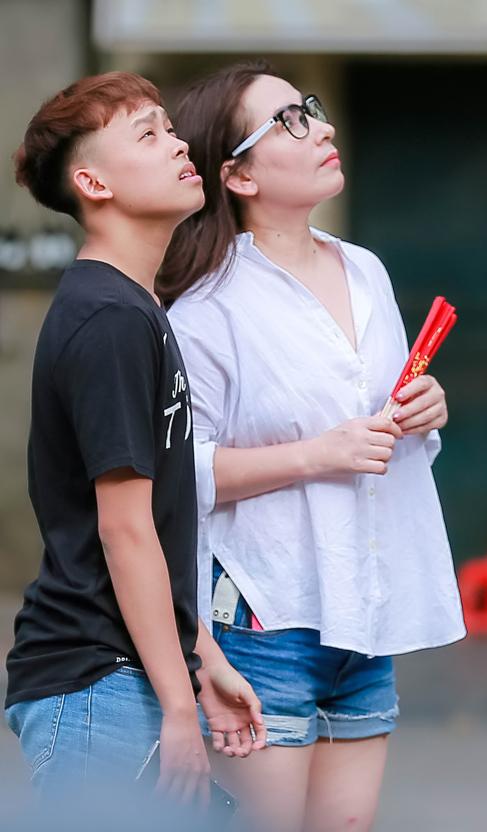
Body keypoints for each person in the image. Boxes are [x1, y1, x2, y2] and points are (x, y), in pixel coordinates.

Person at [161, 61, 465, 832]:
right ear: (239, 176)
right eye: (290, 122)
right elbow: (176, 474)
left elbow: (384, 433)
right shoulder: (207, 305)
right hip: (264, 617)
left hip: (363, 607)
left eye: (311, 110)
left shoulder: (364, 269)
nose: (322, 128)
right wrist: (316, 455)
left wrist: (425, 412)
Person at [4, 71, 266, 803]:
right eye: (147, 135)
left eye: (170, 129)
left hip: (122, 674)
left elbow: (159, 526)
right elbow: (124, 530)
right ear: (93, 183)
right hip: (96, 683)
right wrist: (180, 704)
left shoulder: (133, 305)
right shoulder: (110, 318)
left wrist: (202, 661)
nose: (177, 145)